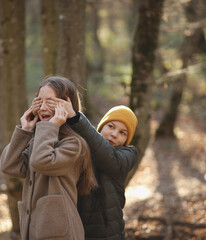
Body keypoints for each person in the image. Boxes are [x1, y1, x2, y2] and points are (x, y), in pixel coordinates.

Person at [0, 76, 97, 240]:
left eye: (50, 102)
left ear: (65, 106)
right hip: (35, 230)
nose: (43, 107)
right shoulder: (41, 141)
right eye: (39, 102)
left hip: (61, 234)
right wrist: (25, 132)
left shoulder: (74, 144)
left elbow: (40, 162)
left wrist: (50, 127)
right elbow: (8, 165)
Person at [33, 97, 138, 240]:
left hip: (108, 233)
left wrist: (76, 118)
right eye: (111, 126)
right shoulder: (83, 144)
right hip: (77, 228)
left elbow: (111, 160)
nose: (114, 134)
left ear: (127, 139)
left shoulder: (127, 154)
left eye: (122, 133)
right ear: (101, 127)